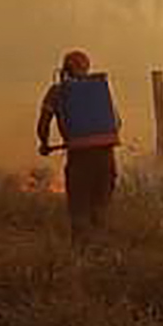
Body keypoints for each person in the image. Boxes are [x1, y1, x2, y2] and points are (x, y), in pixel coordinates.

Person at [36, 49, 121, 242]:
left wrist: (44, 144)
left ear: (65, 68)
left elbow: (43, 124)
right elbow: (118, 122)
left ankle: (80, 256)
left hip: (79, 159)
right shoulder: (99, 89)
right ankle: (101, 255)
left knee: (79, 210)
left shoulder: (57, 91)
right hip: (106, 157)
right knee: (100, 209)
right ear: (87, 67)